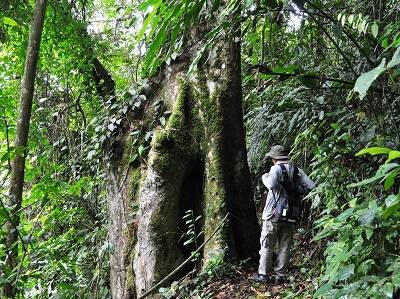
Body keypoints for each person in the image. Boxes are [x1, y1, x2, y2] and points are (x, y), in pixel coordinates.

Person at [252, 144, 315, 284]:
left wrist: (265, 176)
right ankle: (280, 276)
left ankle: (263, 275)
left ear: (274, 158)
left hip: (272, 214)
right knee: (284, 246)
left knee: (267, 245)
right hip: (291, 214)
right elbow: (312, 186)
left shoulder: (275, 169)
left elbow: (270, 185)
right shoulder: (297, 170)